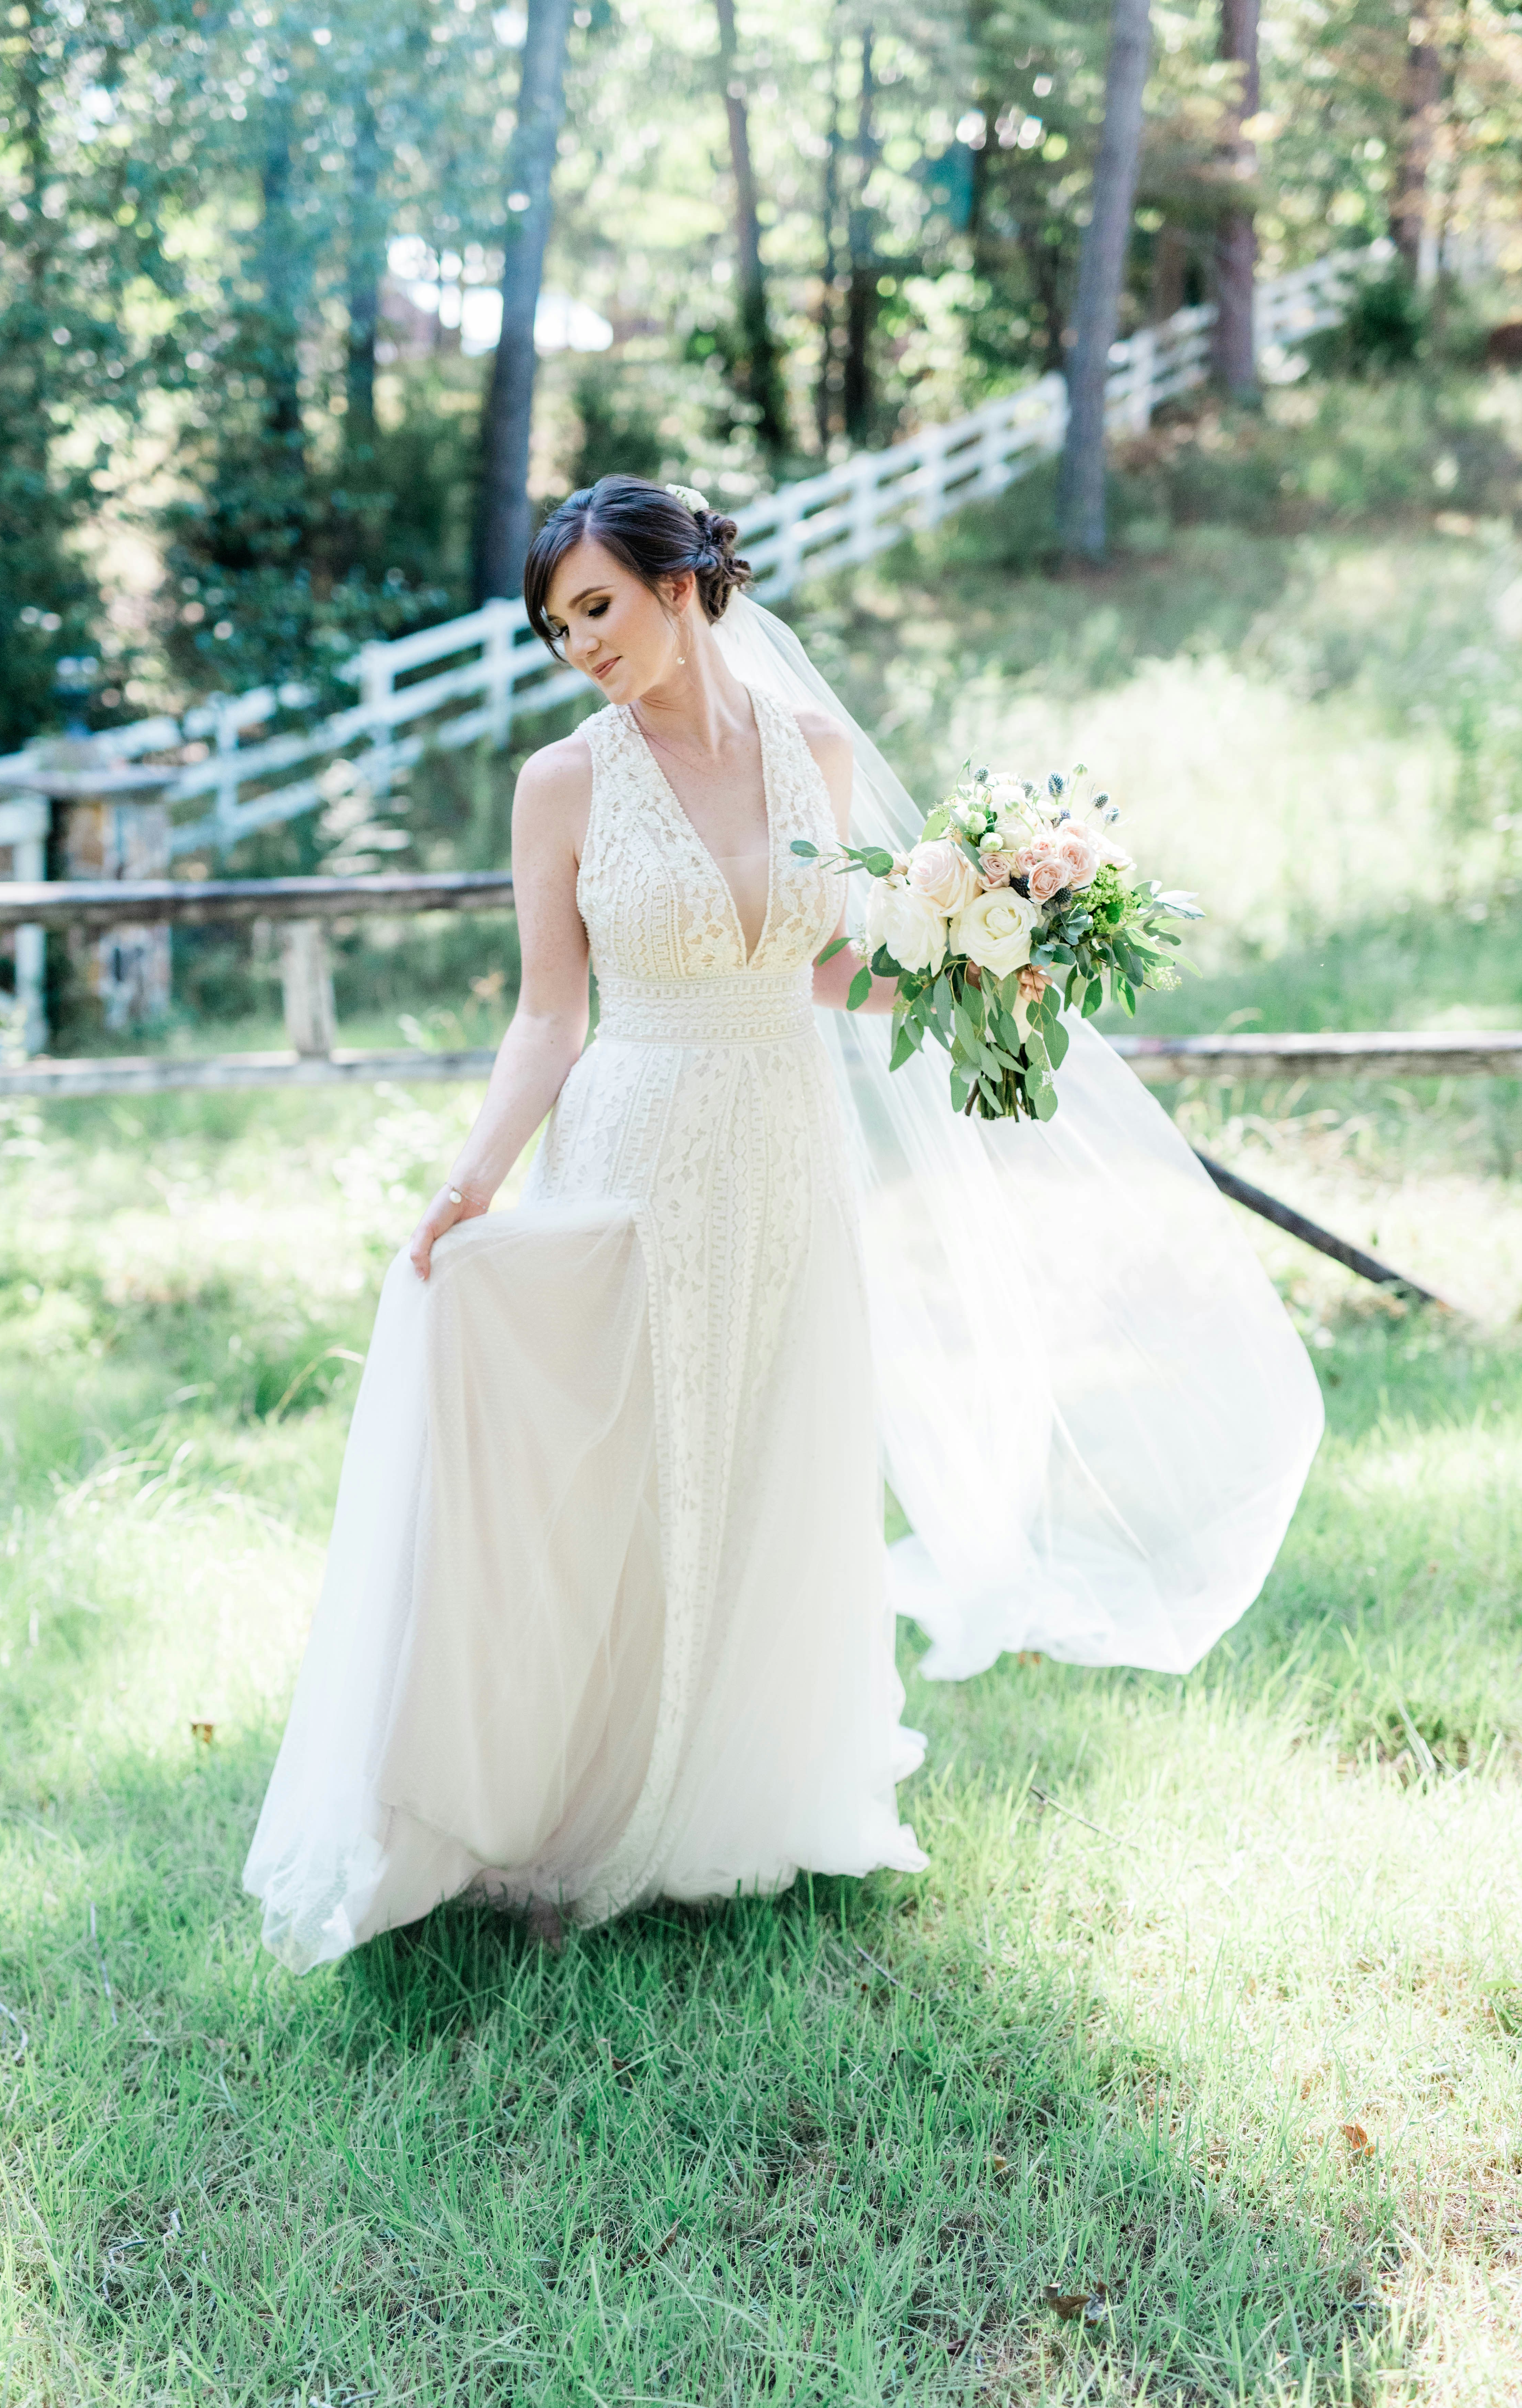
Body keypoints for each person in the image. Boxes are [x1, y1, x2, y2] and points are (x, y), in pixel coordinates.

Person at [244, 476, 1321, 1971]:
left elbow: (817, 969)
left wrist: (974, 966)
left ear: (683, 584)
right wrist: (469, 1182)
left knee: (769, 1460)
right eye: (560, 628)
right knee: (625, 1480)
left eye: (600, 608)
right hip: (637, 1145)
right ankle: (574, 1808)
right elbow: (549, 1017)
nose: (582, 647)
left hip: (786, 1139)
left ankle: (734, 1805)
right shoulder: (563, 782)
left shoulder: (815, 752)